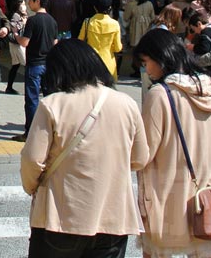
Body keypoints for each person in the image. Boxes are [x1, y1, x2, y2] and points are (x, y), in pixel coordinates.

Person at [20, 40, 149, 258]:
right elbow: (140, 158)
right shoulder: (127, 104)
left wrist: (32, 186)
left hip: (60, 217)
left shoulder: (52, 104)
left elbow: (32, 160)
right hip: (113, 218)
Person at [134, 28, 211, 258]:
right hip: (207, 194)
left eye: (146, 62)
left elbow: (144, 153)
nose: (146, 69)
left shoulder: (161, 94)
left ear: (161, 58)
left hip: (166, 197)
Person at [14, 0, 57, 143]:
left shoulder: (33, 20)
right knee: (49, 98)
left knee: (32, 99)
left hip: (34, 64)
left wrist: (16, 35)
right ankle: (51, 129)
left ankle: (30, 132)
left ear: (37, 1)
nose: (29, 4)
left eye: (30, 1)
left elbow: (25, 42)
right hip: (48, 64)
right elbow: (55, 43)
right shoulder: (52, 21)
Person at [78, 0, 123, 81]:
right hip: (108, 64)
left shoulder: (88, 22)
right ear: (110, 8)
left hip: (91, 62)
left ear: (95, 8)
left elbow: (80, 42)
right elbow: (118, 48)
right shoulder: (115, 24)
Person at [4, 0, 29, 95]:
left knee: (15, 65)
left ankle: (9, 87)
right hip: (18, 43)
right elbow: (13, 27)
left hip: (16, 43)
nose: (24, 6)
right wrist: (23, 22)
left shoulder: (21, 14)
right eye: (22, 4)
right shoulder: (16, 15)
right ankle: (29, 87)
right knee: (26, 64)